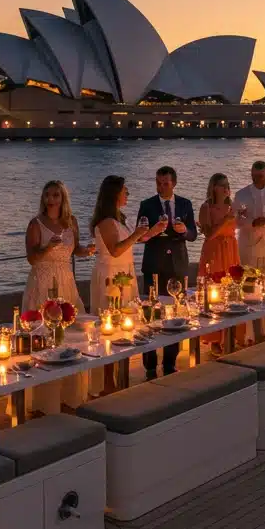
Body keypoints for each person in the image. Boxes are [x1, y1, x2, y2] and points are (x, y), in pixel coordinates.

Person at [90, 175, 150, 396]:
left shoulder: (119, 218)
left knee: (125, 324)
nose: (128, 194)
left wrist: (150, 232)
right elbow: (115, 249)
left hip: (124, 274)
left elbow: (131, 242)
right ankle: (107, 382)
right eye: (125, 190)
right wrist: (136, 234)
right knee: (109, 326)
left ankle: (120, 377)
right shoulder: (106, 221)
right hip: (111, 277)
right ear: (114, 193)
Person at [136, 166, 197, 378]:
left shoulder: (185, 204)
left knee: (176, 314)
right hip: (154, 264)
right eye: (158, 183)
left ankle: (170, 362)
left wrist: (184, 231)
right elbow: (139, 234)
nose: (161, 187)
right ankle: (150, 366)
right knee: (151, 314)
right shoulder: (146, 205)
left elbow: (193, 235)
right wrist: (153, 231)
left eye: (165, 183)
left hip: (178, 264)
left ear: (174, 183)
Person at [22, 180, 93, 313]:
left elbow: (76, 248)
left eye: (55, 195)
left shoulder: (72, 221)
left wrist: (87, 250)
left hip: (66, 278)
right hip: (43, 281)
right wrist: (48, 247)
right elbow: (31, 259)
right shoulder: (36, 224)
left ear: (63, 198)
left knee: (71, 321)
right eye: (47, 195)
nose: (50, 199)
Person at [200, 172, 241, 351]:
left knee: (232, 290)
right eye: (222, 185)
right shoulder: (206, 208)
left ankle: (234, 334)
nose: (226, 188)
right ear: (214, 188)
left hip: (231, 249)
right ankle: (215, 339)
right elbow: (208, 235)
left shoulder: (231, 206)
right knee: (215, 291)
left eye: (227, 185)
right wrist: (225, 221)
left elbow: (236, 227)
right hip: (214, 251)